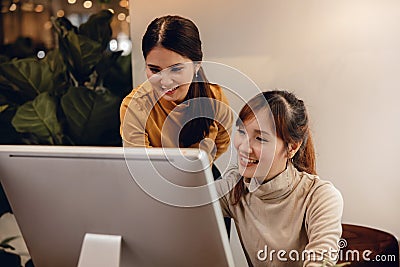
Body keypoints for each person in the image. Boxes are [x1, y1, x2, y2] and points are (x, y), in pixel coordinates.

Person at [216, 90, 343, 267]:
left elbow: (321, 261)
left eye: (260, 138)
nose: (244, 147)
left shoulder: (320, 196)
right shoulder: (234, 188)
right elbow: (181, 209)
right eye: (242, 132)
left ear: (292, 147)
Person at [120, 15, 233, 177]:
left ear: (196, 66)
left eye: (176, 69)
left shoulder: (215, 98)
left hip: (200, 177)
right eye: (155, 70)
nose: (165, 82)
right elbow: (141, 165)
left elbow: (222, 141)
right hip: (156, 182)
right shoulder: (135, 105)